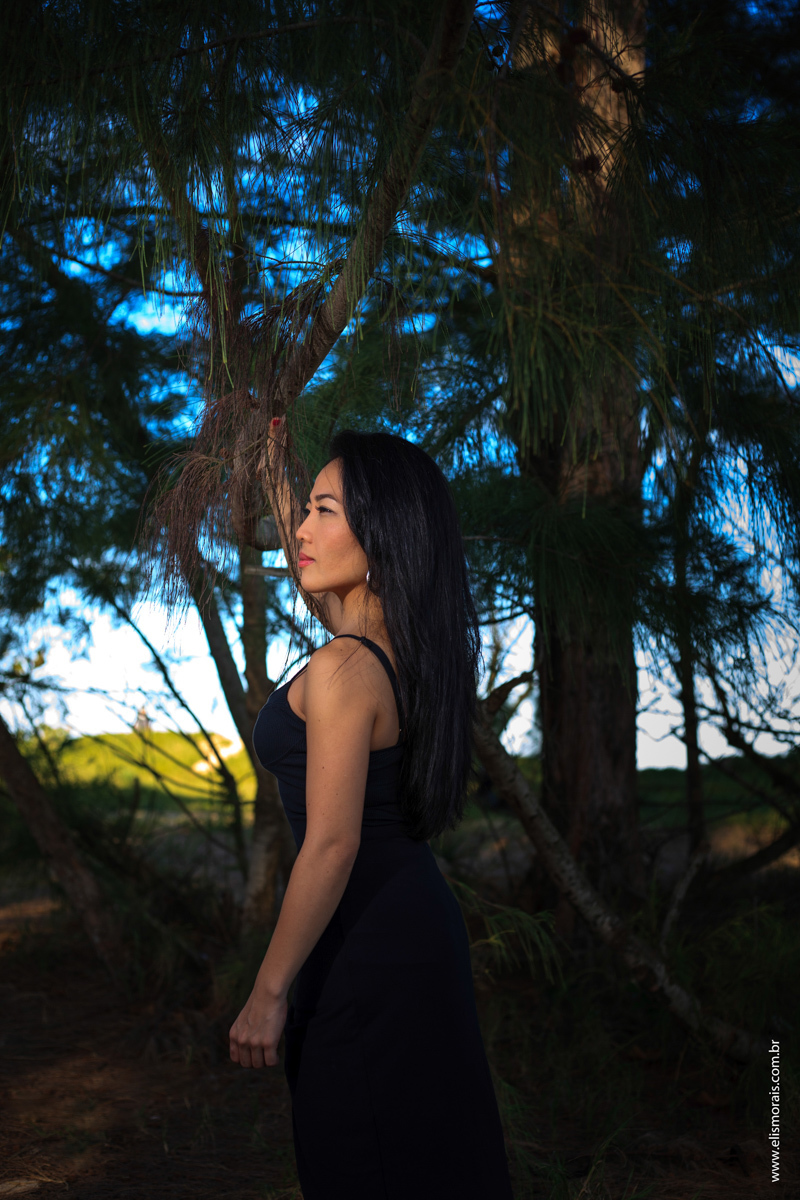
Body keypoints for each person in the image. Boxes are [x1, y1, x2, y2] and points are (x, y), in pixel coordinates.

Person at [229, 420, 514, 1200]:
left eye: (323, 511)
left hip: (368, 950)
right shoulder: (395, 649)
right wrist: (276, 474)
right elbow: (314, 573)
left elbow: (331, 845)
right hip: (408, 933)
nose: (300, 529)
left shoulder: (345, 667)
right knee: (426, 1164)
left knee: (365, 1160)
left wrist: (267, 993)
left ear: (382, 533)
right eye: (304, 509)